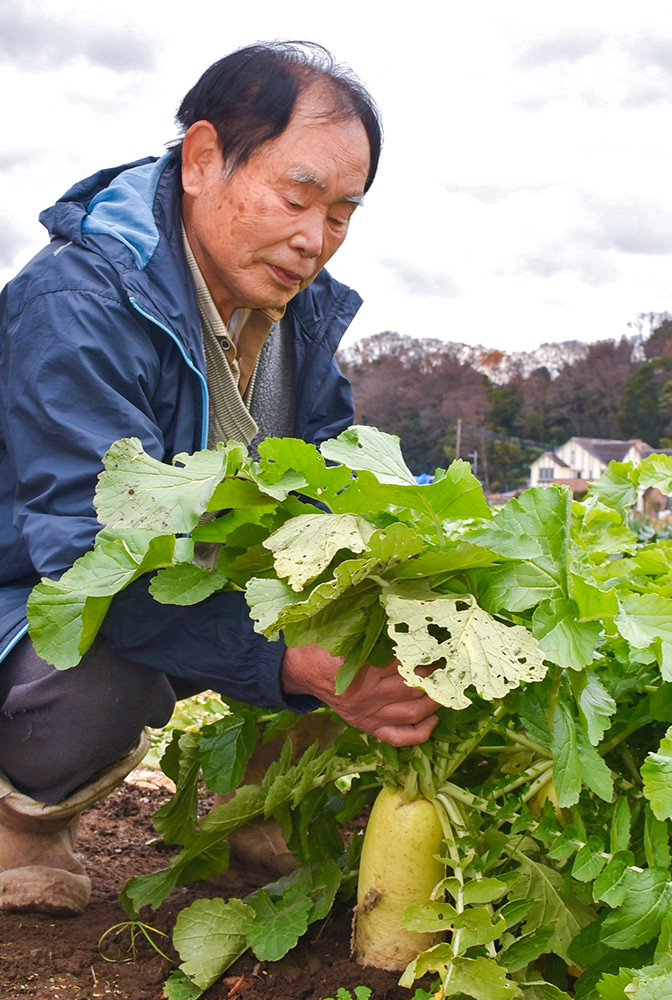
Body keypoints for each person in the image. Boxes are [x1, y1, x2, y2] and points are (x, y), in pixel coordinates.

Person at [0, 41, 439, 915]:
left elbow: (329, 483)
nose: (315, 238)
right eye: (296, 197)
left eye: (343, 213)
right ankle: (23, 823)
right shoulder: (76, 307)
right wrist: (292, 663)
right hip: (34, 598)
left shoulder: (295, 310)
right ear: (203, 160)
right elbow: (92, 560)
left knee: (348, 588)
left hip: (182, 586)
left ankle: (261, 835)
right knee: (103, 681)